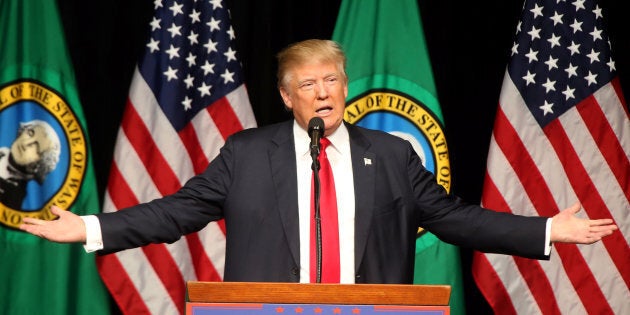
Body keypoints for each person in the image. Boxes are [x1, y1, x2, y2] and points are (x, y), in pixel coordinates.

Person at [20, 39, 617, 284]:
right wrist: (90, 227)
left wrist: (546, 229)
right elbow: (178, 212)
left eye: (332, 79)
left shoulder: (392, 154)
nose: (324, 92)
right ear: (287, 97)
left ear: (346, 85)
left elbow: (455, 218)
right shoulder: (247, 155)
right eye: (309, 84)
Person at [0, 120, 61, 209]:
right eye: (30, 133)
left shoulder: (19, 197)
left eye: (36, 146)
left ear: (39, 165)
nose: (26, 143)